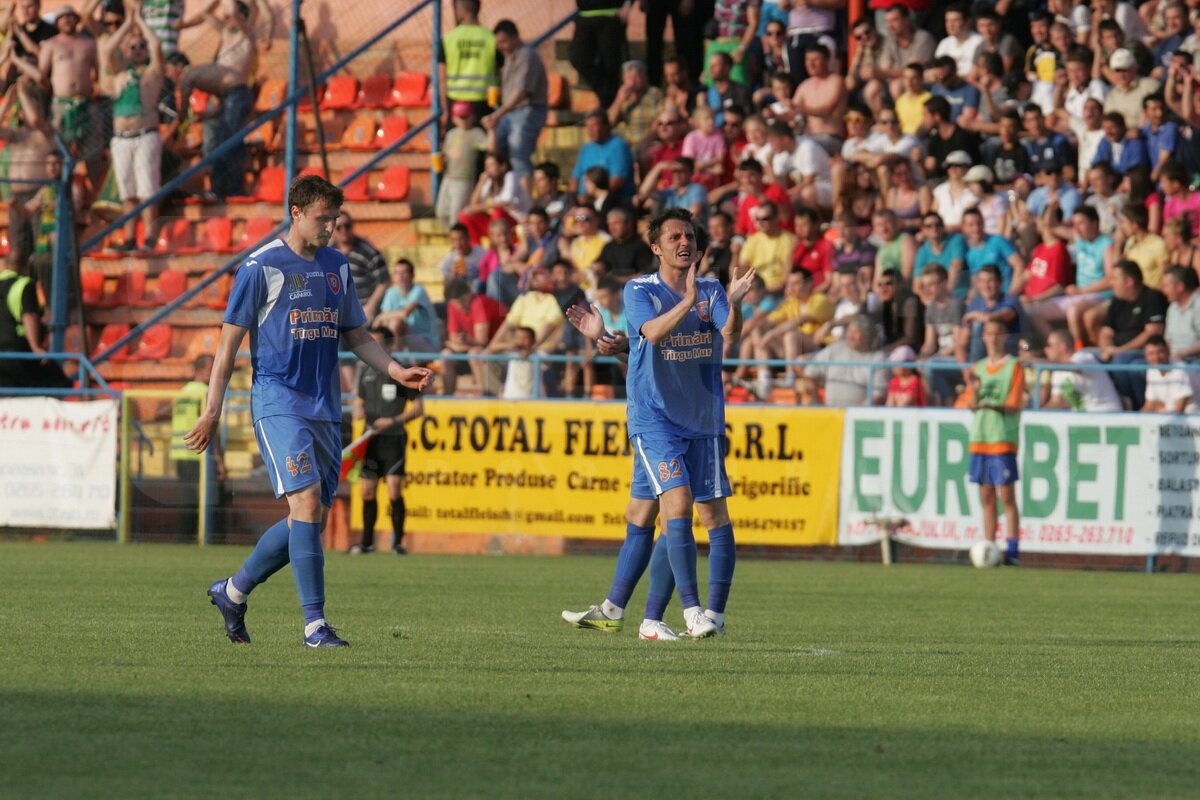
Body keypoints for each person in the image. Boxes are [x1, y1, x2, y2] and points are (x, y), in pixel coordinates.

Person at [185, 174, 433, 647]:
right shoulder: (261, 268)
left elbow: (356, 334)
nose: (331, 227)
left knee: (311, 518)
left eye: (335, 218)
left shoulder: (337, 267)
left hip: (324, 406)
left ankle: (233, 592)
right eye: (323, 218)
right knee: (304, 503)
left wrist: (396, 371)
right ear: (296, 213)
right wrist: (212, 409)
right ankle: (315, 625)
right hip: (278, 402)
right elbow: (227, 347)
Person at [564, 209, 755, 640]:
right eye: (674, 236)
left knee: (649, 511)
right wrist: (685, 301)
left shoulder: (710, 289)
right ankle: (685, 613)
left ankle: (616, 609)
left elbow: (730, 334)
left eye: (689, 235)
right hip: (655, 420)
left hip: (702, 419)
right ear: (656, 247)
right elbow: (651, 335)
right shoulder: (639, 290)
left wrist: (736, 304)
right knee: (679, 504)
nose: (683, 242)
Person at [350, 328, 425, 555]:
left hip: (394, 439)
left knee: (394, 490)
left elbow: (419, 409)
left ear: (389, 345)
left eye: (379, 343)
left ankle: (397, 543)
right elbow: (359, 401)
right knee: (367, 491)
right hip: (370, 438)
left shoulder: (402, 372)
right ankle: (366, 543)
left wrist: (391, 420)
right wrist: (358, 410)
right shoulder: (365, 372)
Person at [177, 0, 260, 199]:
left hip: (237, 94)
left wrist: (234, 12)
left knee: (228, 143)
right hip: (223, 97)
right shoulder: (226, 34)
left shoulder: (246, 35)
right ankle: (218, 189)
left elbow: (252, 10)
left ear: (241, 16)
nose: (226, 20)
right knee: (214, 146)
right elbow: (206, 15)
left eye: (230, 16)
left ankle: (233, 190)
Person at [101, 2, 163, 251]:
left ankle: (149, 236)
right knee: (127, 192)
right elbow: (107, 50)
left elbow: (157, 46)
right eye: (132, 47)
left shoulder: (152, 74)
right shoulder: (119, 75)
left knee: (147, 189)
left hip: (144, 135)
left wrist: (142, 25)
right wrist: (128, 23)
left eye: (140, 47)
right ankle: (129, 237)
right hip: (121, 138)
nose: (137, 50)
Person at [968, 318, 1025, 566]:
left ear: (1004, 337)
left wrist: (990, 404)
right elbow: (970, 400)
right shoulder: (978, 367)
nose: (992, 338)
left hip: (1001, 436)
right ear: (983, 338)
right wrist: (972, 402)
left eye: (997, 334)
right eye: (988, 334)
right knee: (987, 496)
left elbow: (1014, 404)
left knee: (1006, 495)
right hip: (980, 437)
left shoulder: (1014, 367)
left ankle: (1012, 551)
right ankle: (989, 547)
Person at [38, 5, 100, 179]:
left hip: (85, 103)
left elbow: (98, 72)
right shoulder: (51, 45)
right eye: (63, 17)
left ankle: (91, 197)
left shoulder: (89, 43)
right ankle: (60, 195)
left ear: (76, 19)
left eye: (70, 17)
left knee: (91, 152)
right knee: (60, 151)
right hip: (60, 106)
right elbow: (42, 75)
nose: (67, 20)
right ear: (57, 22)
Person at [482, 19, 548, 184]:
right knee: (495, 150)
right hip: (510, 113)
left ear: (515, 37)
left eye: (504, 41)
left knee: (519, 154)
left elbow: (522, 91)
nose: (500, 46)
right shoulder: (508, 57)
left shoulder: (527, 55)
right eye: (498, 43)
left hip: (528, 111)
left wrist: (498, 114)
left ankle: (525, 200)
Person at [1098, 259, 1168, 410]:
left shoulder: (1152, 297)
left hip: (1142, 353)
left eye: (1115, 279)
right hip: (1117, 351)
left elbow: (1152, 332)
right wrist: (1107, 349)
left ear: (1129, 281)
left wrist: (1119, 350)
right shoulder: (1117, 300)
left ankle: (1135, 407)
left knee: (1123, 361)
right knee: (1087, 358)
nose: (1111, 283)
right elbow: (1105, 331)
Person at [798, 314, 887, 406]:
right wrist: (816, 402)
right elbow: (811, 372)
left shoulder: (878, 358)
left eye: (856, 332)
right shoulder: (836, 348)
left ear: (868, 335)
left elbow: (879, 394)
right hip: (830, 413)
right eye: (850, 330)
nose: (851, 335)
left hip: (859, 416)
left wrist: (857, 413)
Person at [441, 278, 505, 395]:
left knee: (475, 353)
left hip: (500, 349)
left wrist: (460, 344)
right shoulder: (453, 305)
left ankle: (485, 395)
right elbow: (453, 337)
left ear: (470, 293)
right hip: (474, 348)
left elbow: (482, 341)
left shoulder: (479, 303)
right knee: (446, 355)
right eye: (456, 303)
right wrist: (463, 343)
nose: (460, 306)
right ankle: (447, 396)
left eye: (462, 301)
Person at [436, 0, 495, 122]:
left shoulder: (448, 39)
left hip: (456, 103)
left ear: (462, 9)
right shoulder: (491, 38)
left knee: (457, 139)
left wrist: (445, 110)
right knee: (483, 140)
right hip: (485, 102)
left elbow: (442, 79)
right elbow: (500, 74)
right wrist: (495, 105)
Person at [1039, 329, 1122, 411]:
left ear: (1062, 346)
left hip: (1105, 412)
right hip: (1082, 419)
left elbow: (1075, 367)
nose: (1045, 349)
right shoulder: (1057, 371)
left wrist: (1035, 362)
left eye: (1049, 345)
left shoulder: (1084, 357)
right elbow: (1057, 402)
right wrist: (1036, 413)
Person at [569, 0, 628, 111]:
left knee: (610, 64)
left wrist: (628, 4)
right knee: (578, 58)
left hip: (611, 14)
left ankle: (609, 106)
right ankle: (607, 96)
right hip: (585, 14)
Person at [436, 102, 487, 227]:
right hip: (449, 177)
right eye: (460, 117)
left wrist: (491, 129)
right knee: (441, 212)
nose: (463, 120)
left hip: (463, 179)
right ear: (454, 118)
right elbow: (448, 154)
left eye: (466, 116)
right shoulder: (451, 134)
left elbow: (489, 146)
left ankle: (458, 239)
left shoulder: (476, 133)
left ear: (472, 117)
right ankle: (454, 237)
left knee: (456, 215)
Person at [375, 258, 440, 354]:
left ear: (412, 275)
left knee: (396, 322)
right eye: (397, 273)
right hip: (407, 341)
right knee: (381, 328)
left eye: (404, 272)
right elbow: (385, 320)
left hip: (428, 344)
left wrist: (379, 317)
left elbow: (404, 314)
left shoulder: (419, 290)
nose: (400, 276)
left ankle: (395, 357)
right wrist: (380, 320)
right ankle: (386, 356)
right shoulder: (391, 292)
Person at [570, 110, 635, 202]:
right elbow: (575, 178)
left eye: (594, 125)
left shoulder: (618, 146)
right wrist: (573, 199)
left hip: (611, 202)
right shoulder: (586, 149)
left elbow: (617, 181)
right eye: (587, 126)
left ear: (606, 126)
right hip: (583, 201)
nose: (590, 130)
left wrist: (593, 196)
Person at [608, 59, 663, 147]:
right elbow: (609, 123)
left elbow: (660, 121)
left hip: (651, 143)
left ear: (644, 77)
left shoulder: (654, 94)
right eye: (628, 78)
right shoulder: (623, 96)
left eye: (635, 78)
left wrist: (644, 143)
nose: (632, 82)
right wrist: (618, 101)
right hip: (628, 144)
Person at [1142, 334, 1200, 412]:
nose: (1156, 358)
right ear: (1145, 356)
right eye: (1151, 354)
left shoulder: (1180, 369)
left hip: (1192, 416)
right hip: (1171, 414)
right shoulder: (1151, 370)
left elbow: (1179, 411)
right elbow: (1150, 403)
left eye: (1160, 352)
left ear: (1168, 351)